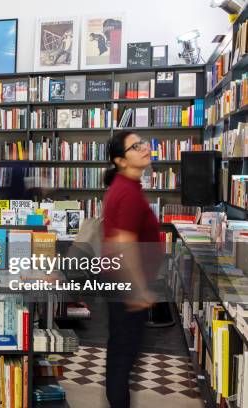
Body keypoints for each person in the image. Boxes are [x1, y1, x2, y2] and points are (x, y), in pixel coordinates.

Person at [102, 131, 162, 408]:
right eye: (136, 146)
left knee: (121, 355)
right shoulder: (126, 191)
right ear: (120, 160)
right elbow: (122, 244)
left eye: (143, 143)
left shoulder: (129, 187)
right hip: (126, 288)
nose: (145, 148)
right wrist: (137, 289)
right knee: (122, 358)